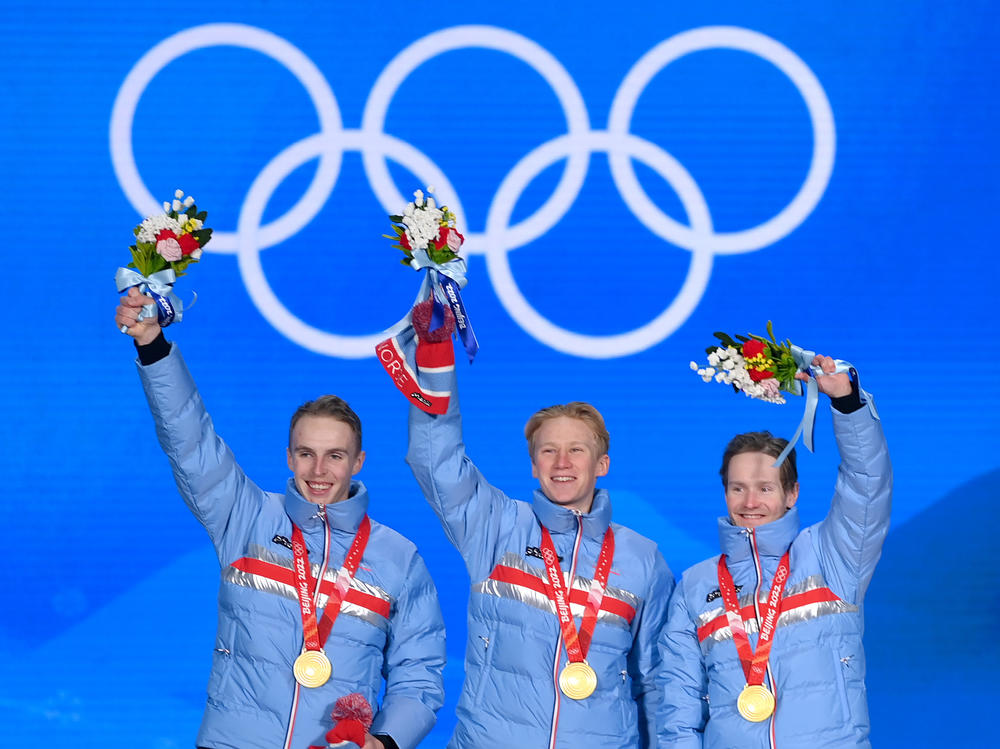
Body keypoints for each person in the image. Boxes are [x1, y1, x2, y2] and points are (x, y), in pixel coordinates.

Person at [116, 287, 445, 749]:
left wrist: (385, 742)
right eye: (306, 454)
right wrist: (152, 346)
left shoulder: (398, 557)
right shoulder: (244, 516)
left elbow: (420, 674)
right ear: (289, 457)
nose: (318, 470)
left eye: (335, 456)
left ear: (359, 462)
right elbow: (189, 439)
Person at [399, 334, 674, 749]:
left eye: (576, 450)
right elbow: (436, 462)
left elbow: (655, 682)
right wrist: (436, 360)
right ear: (533, 465)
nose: (562, 463)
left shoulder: (643, 559)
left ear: (602, 464)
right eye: (549, 451)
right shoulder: (495, 525)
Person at [657, 354, 891, 748]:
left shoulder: (831, 554)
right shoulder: (695, 586)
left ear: (791, 493)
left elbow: (867, 482)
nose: (750, 501)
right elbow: (678, 707)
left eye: (765, 487)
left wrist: (847, 404)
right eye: (737, 488)